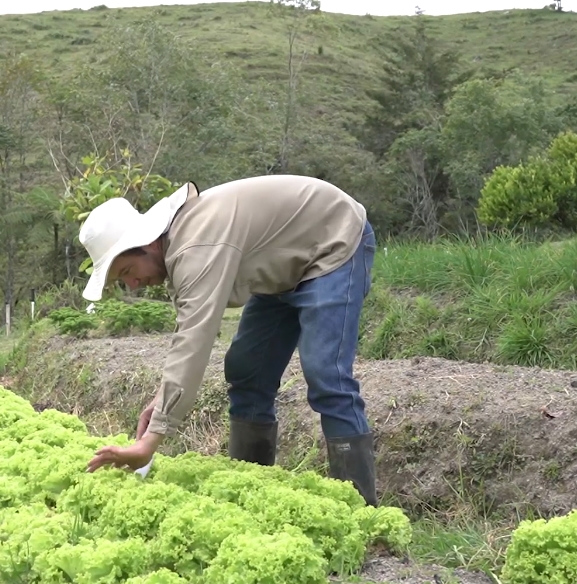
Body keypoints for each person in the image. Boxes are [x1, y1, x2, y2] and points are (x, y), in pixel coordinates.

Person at [80, 174, 379, 506]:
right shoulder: (178, 249)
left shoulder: (196, 247)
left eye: (126, 272)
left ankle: (361, 508)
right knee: (247, 370)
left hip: (332, 241)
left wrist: (150, 442)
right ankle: (251, 492)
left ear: (147, 244)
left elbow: (196, 340)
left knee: (326, 374)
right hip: (283, 267)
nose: (133, 285)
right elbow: (185, 338)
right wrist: (159, 403)